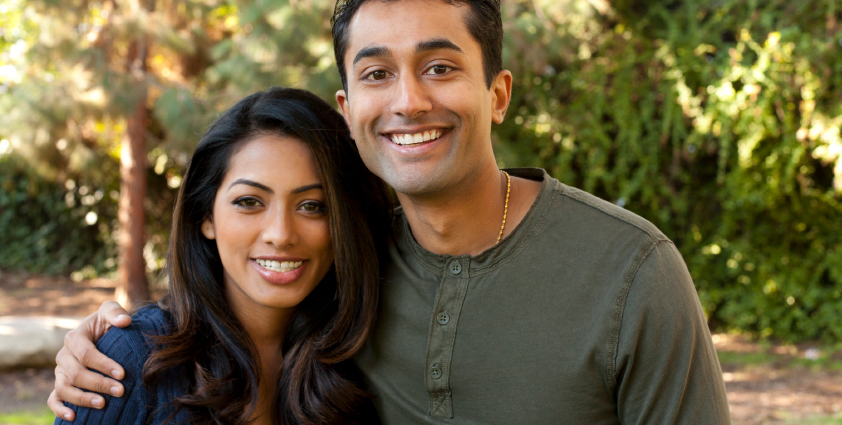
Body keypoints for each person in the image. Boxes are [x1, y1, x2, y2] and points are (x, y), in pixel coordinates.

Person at [50, 0, 732, 423]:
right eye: (377, 73)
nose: (407, 100)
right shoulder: (348, 274)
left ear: (497, 94)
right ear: (348, 111)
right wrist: (111, 341)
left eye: (439, 67)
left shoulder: (630, 271)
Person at [50, 86, 390, 424]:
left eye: (312, 206)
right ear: (205, 216)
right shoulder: (133, 361)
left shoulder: (368, 362)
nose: (281, 234)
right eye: (249, 202)